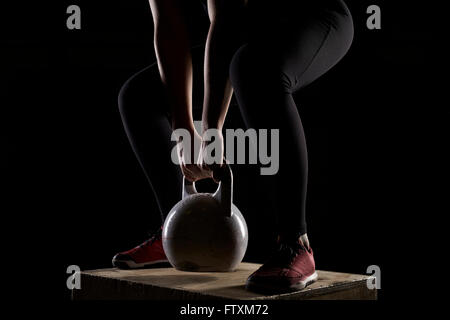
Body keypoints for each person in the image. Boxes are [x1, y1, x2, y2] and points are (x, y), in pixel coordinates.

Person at [112, 0, 353, 293]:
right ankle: (175, 235)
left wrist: (211, 131)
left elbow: (226, 22)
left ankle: (296, 243)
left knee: (252, 67)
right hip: (250, 30)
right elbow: (169, 27)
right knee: (139, 95)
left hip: (314, 15)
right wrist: (184, 127)